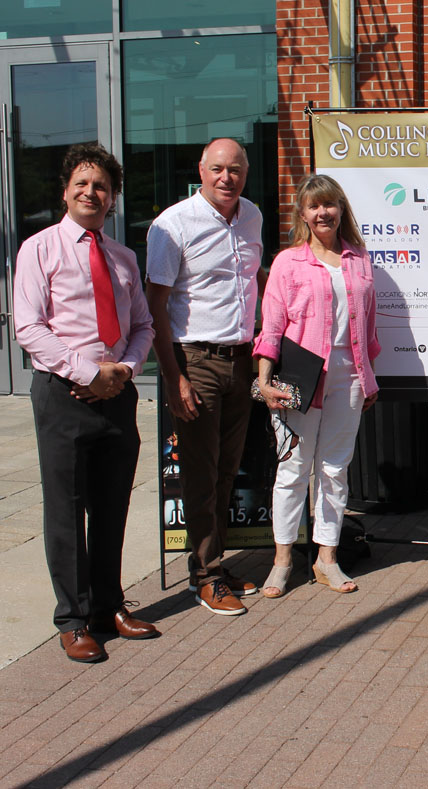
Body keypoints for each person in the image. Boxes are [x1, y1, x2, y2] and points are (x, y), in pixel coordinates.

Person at [14, 143, 159, 662]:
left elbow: (142, 325)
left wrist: (122, 371)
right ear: (65, 191)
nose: (90, 192)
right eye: (82, 183)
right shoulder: (39, 249)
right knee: (66, 509)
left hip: (116, 394)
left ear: (112, 197)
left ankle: (107, 607)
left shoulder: (122, 257)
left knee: (112, 503)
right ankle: (73, 620)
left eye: (100, 186)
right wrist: (87, 373)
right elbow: (29, 326)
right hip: (64, 396)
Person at [146, 138, 264, 616]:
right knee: (199, 473)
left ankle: (215, 563)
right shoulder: (172, 225)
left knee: (224, 470)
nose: (226, 178)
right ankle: (205, 577)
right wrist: (174, 378)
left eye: (235, 169)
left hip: (241, 359)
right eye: (217, 169)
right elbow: (155, 306)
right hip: (195, 361)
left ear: (245, 173)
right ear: (201, 170)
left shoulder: (252, 216)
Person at [254, 174, 380, 598]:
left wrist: (369, 378)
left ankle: (327, 559)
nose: (322, 212)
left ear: (341, 209)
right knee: (292, 470)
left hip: (349, 378)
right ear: (303, 214)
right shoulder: (288, 263)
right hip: (299, 380)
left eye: (330, 205)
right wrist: (264, 381)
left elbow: (369, 324)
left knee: (333, 470)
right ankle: (283, 560)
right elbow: (271, 327)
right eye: (314, 206)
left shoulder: (359, 259)